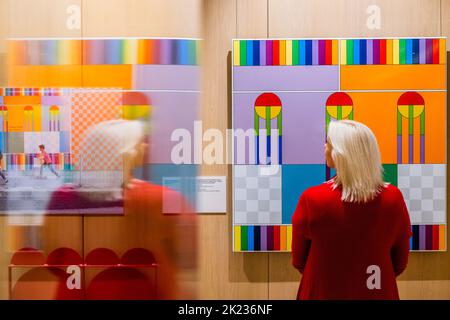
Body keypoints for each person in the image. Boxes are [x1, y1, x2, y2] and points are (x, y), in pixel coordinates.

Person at [292, 120, 412, 300]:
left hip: (322, 292)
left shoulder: (312, 198)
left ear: (340, 154)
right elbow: (399, 262)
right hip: (377, 291)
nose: (325, 146)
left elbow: (300, 260)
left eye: (329, 143)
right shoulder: (393, 198)